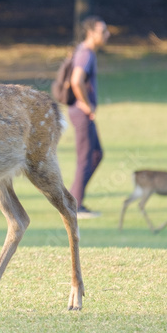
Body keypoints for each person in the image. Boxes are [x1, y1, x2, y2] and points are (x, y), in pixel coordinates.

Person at [68, 15, 110, 218]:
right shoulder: (86, 54)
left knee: (95, 155)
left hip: (81, 112)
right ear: (91, 33)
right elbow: (76, 81)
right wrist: (86, 105)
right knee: (86, 158)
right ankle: (74, 205)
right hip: (81, 113)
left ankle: (74, 199)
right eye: (103, 32)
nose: (107, 35)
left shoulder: (86, 52)